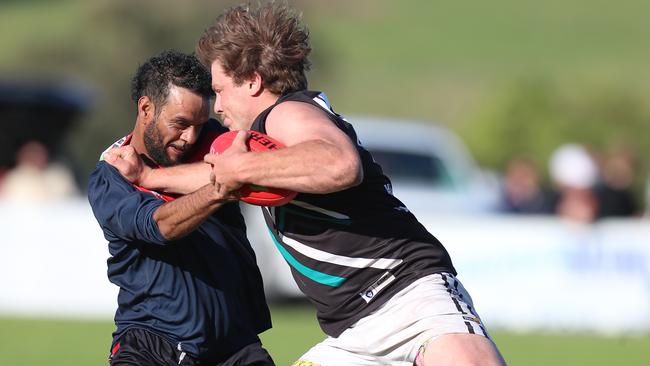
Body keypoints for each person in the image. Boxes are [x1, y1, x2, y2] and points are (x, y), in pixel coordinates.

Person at [120, 4, 506, 366]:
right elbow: (222, 175)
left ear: (253, 82)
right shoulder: (261, 142)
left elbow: (339, 164)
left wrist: (243, 167)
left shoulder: (288, 113)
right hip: (353, 335)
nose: (217, 106)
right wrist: (150, 177)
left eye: (220, 90)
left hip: (411, 301)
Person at [87, 50, 275, 366]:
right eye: (181, 123)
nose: (190, 137)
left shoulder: (216, 141)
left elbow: (262, 165)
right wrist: (221, 188)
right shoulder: (111, 176)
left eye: (200, 125)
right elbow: (160, 226)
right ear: (146, 108)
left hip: (234, 346)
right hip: (150, 345)